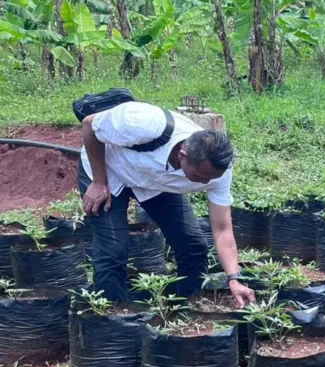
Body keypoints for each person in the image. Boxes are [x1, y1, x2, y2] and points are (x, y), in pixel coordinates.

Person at [79, 101, 256, 306]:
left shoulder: (218, 172)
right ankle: (111, 315)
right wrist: (99, 181)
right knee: (113, 249)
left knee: (193, 247)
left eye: (211, 178)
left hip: (154, 182)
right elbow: (89, 125)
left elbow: (222, 229)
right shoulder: (143, 123)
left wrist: (234, 278)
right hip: (109, 171)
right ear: (182, 156)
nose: (206, 183)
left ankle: (187, 308)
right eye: (200, 177)